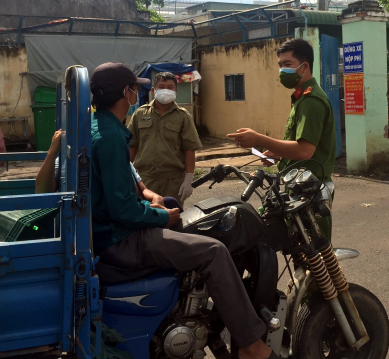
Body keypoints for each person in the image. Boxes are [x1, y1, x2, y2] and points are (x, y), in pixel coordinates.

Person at [89, 62, 273, 359]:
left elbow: (126, 173)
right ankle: (251, 344)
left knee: (183, 223)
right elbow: (122, 209)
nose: (140, 92)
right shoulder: (113, 135)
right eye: (135, 87)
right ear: (127, 92)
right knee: (213, 251)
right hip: (121, 239)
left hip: (120, 222)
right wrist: (162, 215)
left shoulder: (99, 126)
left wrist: (152, 195)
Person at [227, 38, 336, 238]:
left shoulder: (311, 100)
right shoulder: (301, 97)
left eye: (288, 65)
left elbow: (305, 151)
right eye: (280, 66)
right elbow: (300, 146)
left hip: (310, 191)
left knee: (315, 259)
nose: (282, 71)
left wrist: (259, 139)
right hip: (301, 187)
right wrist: (278, 153)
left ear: (304, 67)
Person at [34, 129, 182, 211]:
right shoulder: (68, 160)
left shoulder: (117, 154)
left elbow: (140, 189)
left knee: (170, 203)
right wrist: (52, 152)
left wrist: (156, 197)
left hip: (127, 211)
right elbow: (42, 190)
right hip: (106, 220)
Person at [127, 72, 202, 206]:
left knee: (173, 219)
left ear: (176, 91)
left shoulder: (183, 116)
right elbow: (132, 145)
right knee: (145, 220)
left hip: (173, 182)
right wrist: (126, 173)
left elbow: (189, 149)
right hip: (145, 180)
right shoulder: (140, 114)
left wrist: (188, 179)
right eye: (161, 86)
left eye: (170, 87)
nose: (166, 90)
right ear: (153, 90)